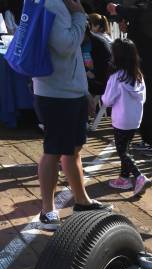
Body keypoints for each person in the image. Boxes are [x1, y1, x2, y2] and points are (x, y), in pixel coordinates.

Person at [34, 0, 113, 231]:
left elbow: (73, 55)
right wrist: (80, 16)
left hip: (68, 91)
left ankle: (81, 200)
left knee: (73, 149)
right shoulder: (54, 4)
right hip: (56, 93)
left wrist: (83, 91)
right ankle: (47, 210)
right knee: (54, 151)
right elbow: (66, 45)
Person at [107, 0, 152, 155]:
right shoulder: (143, 6)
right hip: (142, 60)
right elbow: (140, 23)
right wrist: (127, 28)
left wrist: (118, 8)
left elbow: (139, 11)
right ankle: (148, 139)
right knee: (144, 102)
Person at [102, 38, 150, 196]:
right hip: (135, 119)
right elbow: (143, 98)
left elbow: (107, 100)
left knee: (122, 151)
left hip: (121, 120)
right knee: (126, 147)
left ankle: (139, 176)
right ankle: (123, 178)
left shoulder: (117, 77)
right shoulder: (138, 76)